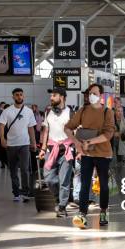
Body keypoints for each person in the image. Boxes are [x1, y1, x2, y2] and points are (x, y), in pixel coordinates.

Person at [65, 84, 115, 229]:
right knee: (84, 185)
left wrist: (89, 141)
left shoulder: (107, 112)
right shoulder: (83, 110)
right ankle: (82, 213)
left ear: (101, 95)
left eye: (94, 93)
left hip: (103, 154)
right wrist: (76, 142)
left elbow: (108, 134)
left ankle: (104, 211)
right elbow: (68, 127)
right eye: (89, 93)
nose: (91, 95)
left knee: (104, 186)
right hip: (86, 153)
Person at [39, 88, 74, 218]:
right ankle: (58, 198)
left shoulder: (71, 112)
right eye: (51, 95)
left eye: (54, 95)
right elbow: (45, 131)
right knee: (49, 178)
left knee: (64, 179)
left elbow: (75, 132)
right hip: (50, 149)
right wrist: (43, 149)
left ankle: (62, 207)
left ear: (62, 97)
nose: (51, 97)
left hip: (66, 149)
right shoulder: (48, 111)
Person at [0, 88, 37, 202]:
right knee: (13, 170)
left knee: (25, 169)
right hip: (11, 145)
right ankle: (16, 193)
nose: (19, 97)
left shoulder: (28, 111)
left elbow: (31, 128)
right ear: (13, 97)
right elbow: (1, 126)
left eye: (21, 95)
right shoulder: (7, 111)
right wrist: (2, 139)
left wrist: (33, 142)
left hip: (24, 144)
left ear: (23, 96)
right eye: (17, 95)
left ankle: (25, 191)